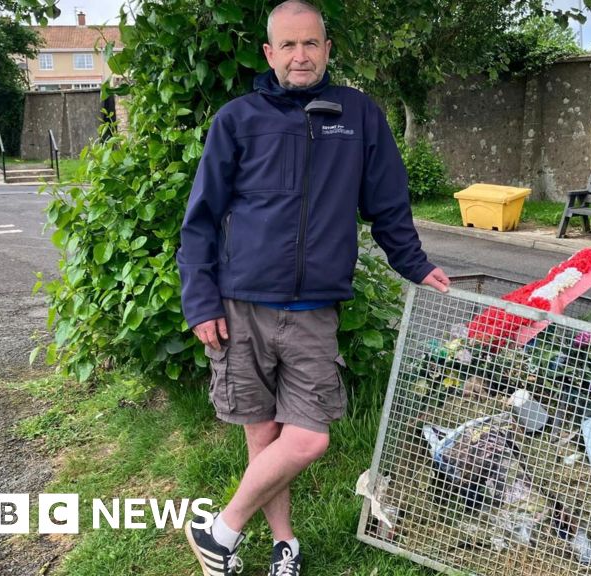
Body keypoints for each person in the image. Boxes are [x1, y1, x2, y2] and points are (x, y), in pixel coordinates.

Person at [176, 1, 449, 575]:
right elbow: (200, 220)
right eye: (289, 46)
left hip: (312, 310)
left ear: (327, 50)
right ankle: (284, 547)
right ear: (270, 54)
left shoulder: (358, 116)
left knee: (307, 438)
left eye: (311, 44)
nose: (301, 56)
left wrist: (416, 265)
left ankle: (219, 530)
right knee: (262, 437)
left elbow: (388, 205)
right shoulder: (238, 119)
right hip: (240, 305)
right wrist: (200, 300)